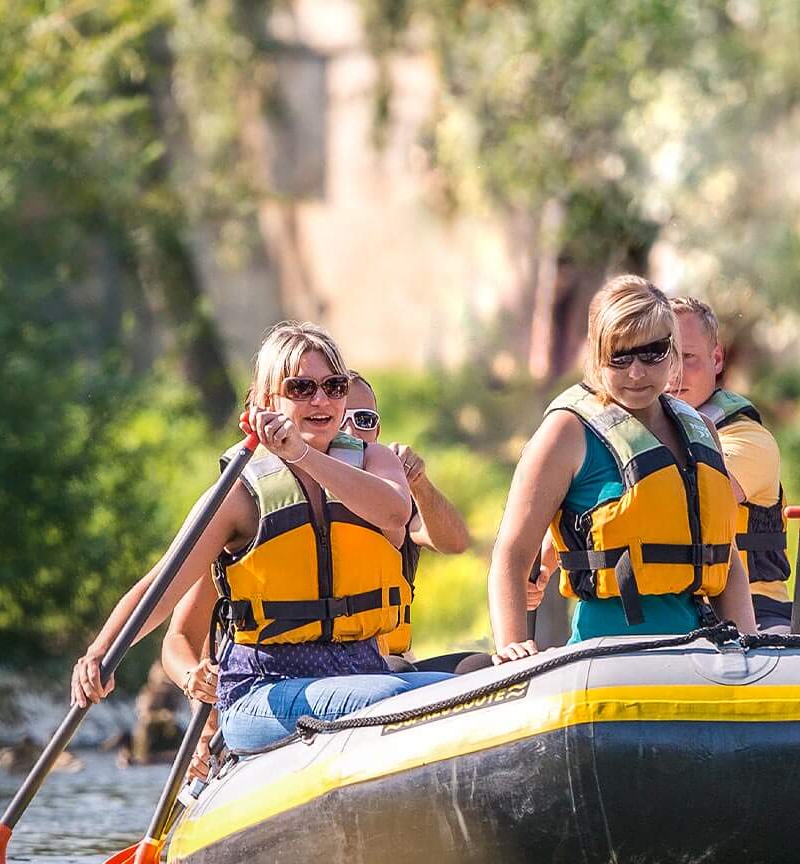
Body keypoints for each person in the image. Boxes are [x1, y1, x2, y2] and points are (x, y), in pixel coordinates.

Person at [70, 323, 454, 754]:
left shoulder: (374, 459)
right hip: (264, 692)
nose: (321, 400)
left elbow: (394, 511)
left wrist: (303, 455)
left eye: (333, 385)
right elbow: (161, 585)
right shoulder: (239, 494)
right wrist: (101, 651)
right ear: (267, 401)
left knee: (464, 690)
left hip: (363, 671)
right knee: (387, 700)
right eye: (301, 388)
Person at [489, 275, 758, 663]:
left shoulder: (703, 432)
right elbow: (512, 555)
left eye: (652, 352)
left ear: (673, 352)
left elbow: (726, 558)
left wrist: (747, 646)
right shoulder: (565, 433)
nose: (636, 372)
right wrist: (511, 645)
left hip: (699, 654)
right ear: (598, 355)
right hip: (605, 660)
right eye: (620, 356)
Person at [667, 296, 793, 631]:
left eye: (688, 357)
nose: (674, 371)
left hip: (759, 612)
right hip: (674, 610)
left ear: (717, 358)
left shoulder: (750, 440)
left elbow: (692, 497)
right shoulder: (634, 434)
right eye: (663, 357)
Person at [343, 375, 473, 668]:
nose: (351, 430)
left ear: (377, 429)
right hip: (332, 665)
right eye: (340, 417)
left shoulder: (397, 495)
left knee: (479, 666)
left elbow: (455, 543)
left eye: (363, 419)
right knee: (396, 669)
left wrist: (419, 484)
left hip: (394, 659)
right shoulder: (303, 495)